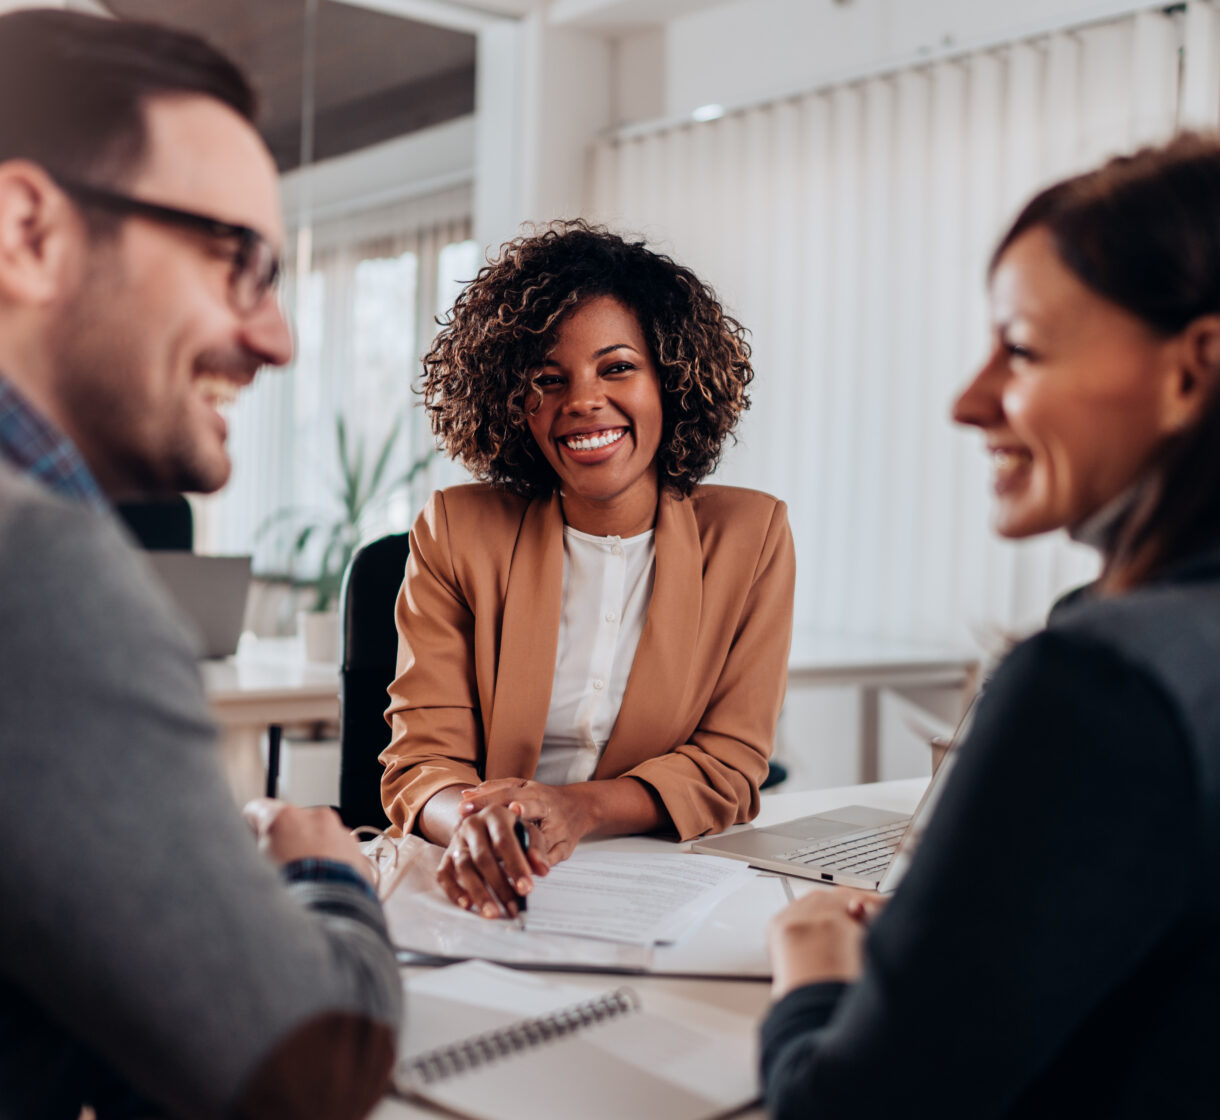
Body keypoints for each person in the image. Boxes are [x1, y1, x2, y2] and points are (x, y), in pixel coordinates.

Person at [761, 132, 1220, 1118]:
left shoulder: (1100, 680)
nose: (967, 401)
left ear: (1193, 368)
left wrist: (810, 968)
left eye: (1016, 348)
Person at [0, 11, 400, 1118]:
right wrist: (328, 870)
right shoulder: (36, 566)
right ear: (30, 231)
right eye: (238, 261)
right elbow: (310, 1074)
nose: (276, 338)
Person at [381, 222, 795, 919]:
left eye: (617, 367)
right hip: (476, 883)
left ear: (671, 377)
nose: (581, 401)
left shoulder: (750, 537)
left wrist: (577, 810)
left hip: (654, 887)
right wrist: (478, 826)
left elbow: (729, 766)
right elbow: (423, 763)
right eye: (549, 378)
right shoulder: (456, 531)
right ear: (514, 402)